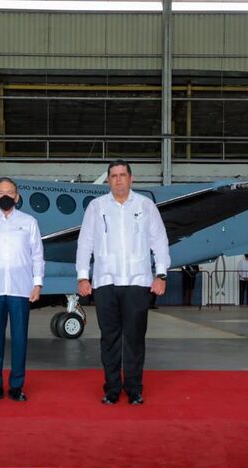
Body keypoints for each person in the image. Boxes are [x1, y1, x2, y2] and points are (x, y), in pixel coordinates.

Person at [76, 159, 170, 405]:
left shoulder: (145, 206)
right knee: (109, 339)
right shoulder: (96, 207)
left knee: (135, 338)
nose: (118, 179)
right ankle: (112, 389)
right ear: (108, 180)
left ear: (131, 178)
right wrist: (83, 276)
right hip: (105, 282)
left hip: (138, 282)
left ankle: (134, 389)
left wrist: (160, 275)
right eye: (113, 175)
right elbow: (85, 243)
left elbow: (159, 241)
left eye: (122, 175)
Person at [0, 177, 44, 402]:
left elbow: (38, 255)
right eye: (1, 192)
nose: (5, 196)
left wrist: (37, 283)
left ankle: (16, 387)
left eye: (10, 192)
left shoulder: (29, 222)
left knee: (20, 339)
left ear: (17, 196)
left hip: (21, 289)